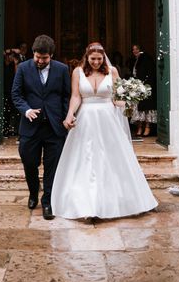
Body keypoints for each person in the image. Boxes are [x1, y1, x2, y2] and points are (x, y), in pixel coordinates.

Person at [51, 43, 158, 219]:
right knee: (85, 158)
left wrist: (129, 101)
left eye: (99, 59)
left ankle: (115, 200)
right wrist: (70, 114)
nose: (96, 62)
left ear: (103, 57)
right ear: (86, 57)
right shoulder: (77, 72)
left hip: (107, 119)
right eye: (92, 59)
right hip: (85, 118)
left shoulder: (112, 71)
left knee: (109, 158)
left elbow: (116, 98)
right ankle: (85, 204)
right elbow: (76, 96)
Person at [11, 35, 71, 220]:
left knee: (52, 167)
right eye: (37, 57)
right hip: (30, 127)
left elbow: (66, 96)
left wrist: (64, 117)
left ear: (51, 55)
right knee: (29, 163)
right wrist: (26, 110)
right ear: (33, 53)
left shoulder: (62, 69)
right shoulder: (23, 68)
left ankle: (48, 203)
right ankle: (32, 193)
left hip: (55, 128)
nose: (40, 61)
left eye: (44, 58)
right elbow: (16, 94)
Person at [130, 44, 157, 137]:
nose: (134, 51)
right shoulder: (136, 59)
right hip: (137, 86)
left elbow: (149, 72)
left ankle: (147, 127)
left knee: (146, 108)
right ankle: (140, 127)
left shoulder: (146, 58)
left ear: (140, 49)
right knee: (138, 107)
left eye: (136, 49)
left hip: (146, 86)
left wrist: (145, 85)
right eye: (133, 49)